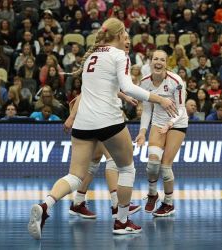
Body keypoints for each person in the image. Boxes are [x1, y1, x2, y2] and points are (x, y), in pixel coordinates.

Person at [28, 17, 177, 239]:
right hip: (108, 121)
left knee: (75, 176)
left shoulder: (92, 56)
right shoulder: (119, 55)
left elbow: (94, 90)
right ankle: (121, 221)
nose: (127, 37)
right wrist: (159, 99)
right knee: (127, 169)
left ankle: (46, 204)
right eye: (125, 33)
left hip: (84, 123)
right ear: (118, 35)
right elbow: (128, 86)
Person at [67, 32, 142, 219]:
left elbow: (109, 88)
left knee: (93, 163)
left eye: (128, 41)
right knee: (112, 160)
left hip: (97, 117)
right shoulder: (109, 58)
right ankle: (117, 204)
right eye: (123, 39)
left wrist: (123, 95)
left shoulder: (109, 59)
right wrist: (72, 117)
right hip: (98, 119)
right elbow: (84, 95)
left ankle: (77, 202)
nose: (127, 43)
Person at [135, 50, 188, 217]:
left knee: (165, 167)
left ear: (166, 64)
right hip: (157, 123)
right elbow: (146, 110)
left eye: (162, 60)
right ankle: (152, 194)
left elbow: (180, 108)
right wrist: (142, 132)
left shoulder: (176, 81)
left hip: (177, 123)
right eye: (155, 59)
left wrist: (170, 124)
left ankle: (169, 203)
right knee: (152, 164)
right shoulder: (144, 82)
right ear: (150, 62)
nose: (158, 62)